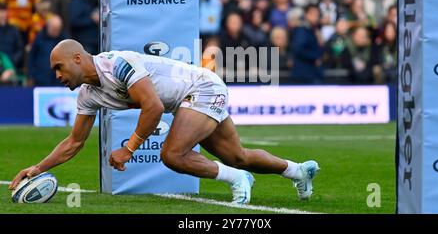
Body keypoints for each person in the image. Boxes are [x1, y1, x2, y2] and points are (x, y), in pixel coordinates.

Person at [9, 39, 320, 204]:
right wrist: (38, 168)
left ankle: (238, 179)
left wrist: (128, 149)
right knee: (237, 156)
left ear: (78, 59)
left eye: (59, 68)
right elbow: (74, 142)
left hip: (203, 88)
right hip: (189, 99)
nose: (58, 76)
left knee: (172, 155)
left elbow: (153, 107)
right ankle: (298, 171)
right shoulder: (87, 95)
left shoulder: (118, 64)